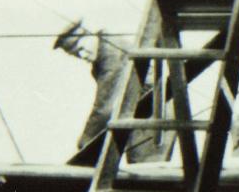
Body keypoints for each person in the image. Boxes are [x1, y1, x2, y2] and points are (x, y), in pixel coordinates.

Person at [53, 20, 160, 163]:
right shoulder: (102, 52)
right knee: (138, 167)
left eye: (81, 49)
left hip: (155, 111)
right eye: (76, 55)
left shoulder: (110, 52)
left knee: (144, 170)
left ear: (90, 35)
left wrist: (85, 143)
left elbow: (105, 105)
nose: (83, 56)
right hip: (142, 111)